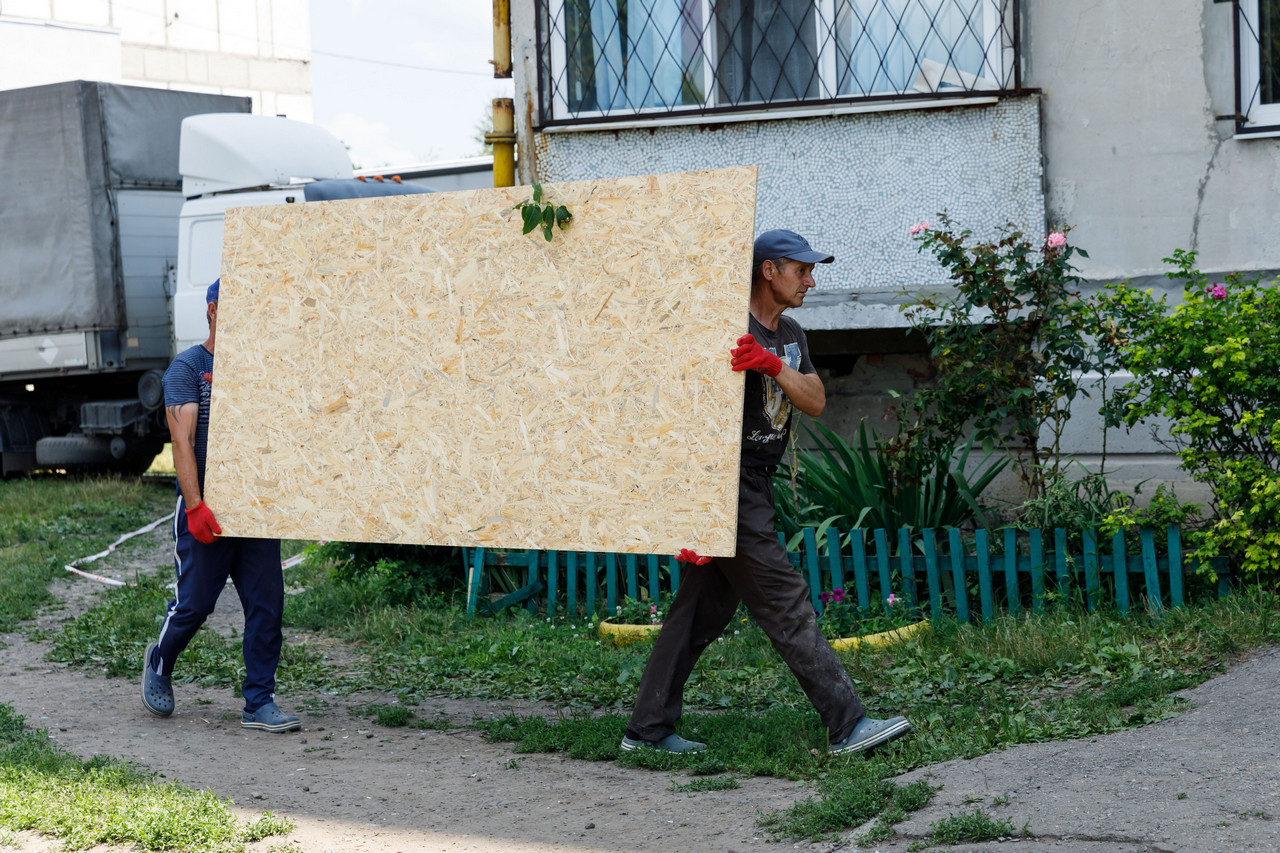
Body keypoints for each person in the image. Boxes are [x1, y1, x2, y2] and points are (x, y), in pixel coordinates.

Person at [620, 230, 911, 756]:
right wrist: (692, 508)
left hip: (757, 481)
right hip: (726, 482)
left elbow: (816, 400)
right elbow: (682, 415)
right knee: (785, 601)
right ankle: (848, 725)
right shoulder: (726, 327)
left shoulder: (791, 333)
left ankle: (647, 729)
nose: (811, 279)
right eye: (802, 270)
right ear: (769, 270)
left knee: (698, 612)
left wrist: (772, 364)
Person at [140, 278, 301, 733]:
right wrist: (195, 506)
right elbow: (183, 442)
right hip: (205, 507)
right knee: (195, 605)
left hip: (253, 509)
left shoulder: (260, 370)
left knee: (267, 605)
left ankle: (258, 702)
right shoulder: (188, 368)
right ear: (212, 310)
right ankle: (160, 661)